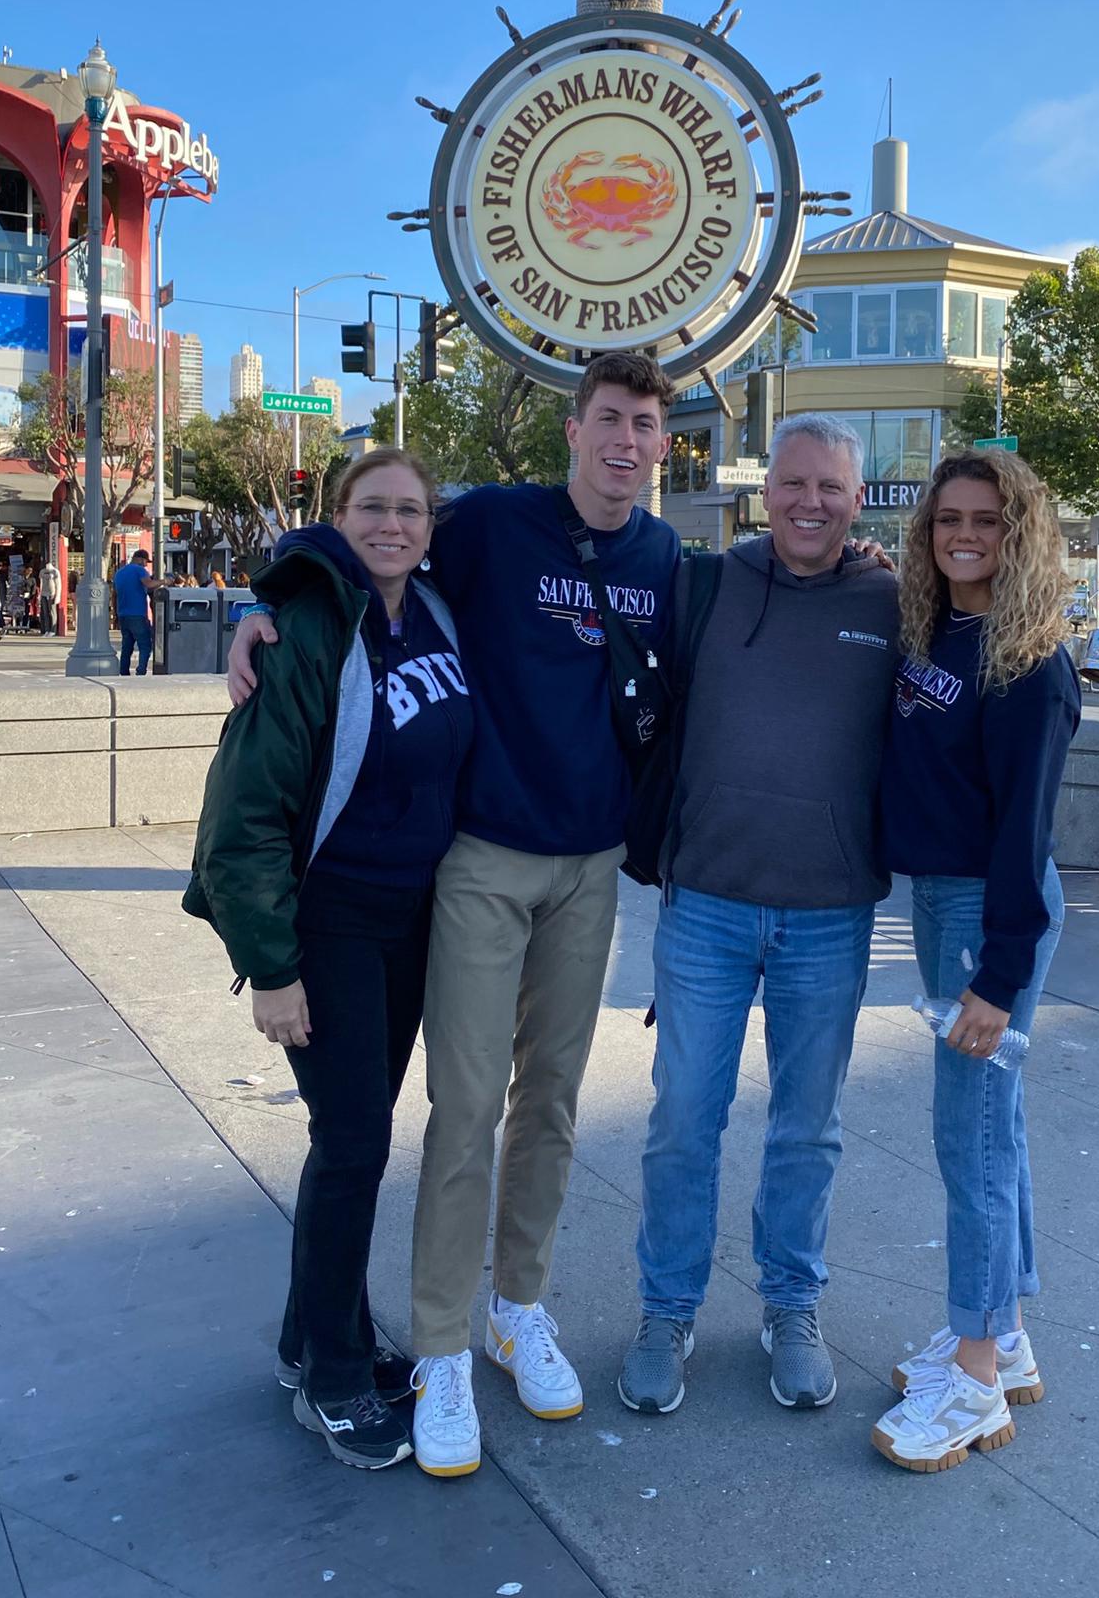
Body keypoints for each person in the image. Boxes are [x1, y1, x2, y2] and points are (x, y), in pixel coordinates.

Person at [227, 350, 680, 1478]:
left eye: (646, 425)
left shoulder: (671, 555)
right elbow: (364, 541)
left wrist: (868, 555)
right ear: (574, 429)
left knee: (556, 1103)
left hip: (592, 864)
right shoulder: (489, 525)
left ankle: (516, 1305)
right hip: (479, 859)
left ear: (665, 444)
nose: (626, 441)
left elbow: (771, 591)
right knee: (466, 1102)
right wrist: (258, 599)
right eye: (609, 419)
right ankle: (437, 1344)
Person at [185, 448, 470, 1472]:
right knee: (353, 1143)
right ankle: (337, 1379)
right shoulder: (305, 627)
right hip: (331, 924)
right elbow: (242, 818)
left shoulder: (433, 614)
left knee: (353, 1139)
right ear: (335, 513)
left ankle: (309, 1336)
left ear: (433, 527)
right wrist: (271, 965)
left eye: (410, 510)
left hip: (411, 922)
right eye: (372, 508)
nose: (392, 525)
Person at [617, 414, 898, 1417]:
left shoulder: (893, 598)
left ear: (857, 498)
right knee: (683, 1120)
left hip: (830, 911)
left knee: (805, 1130)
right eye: (793, 483)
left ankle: (792, 1303)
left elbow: (1000, 643)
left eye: (829, 486)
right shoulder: (706, 583)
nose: (809, 502)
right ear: (763, 488)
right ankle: (667, 1307)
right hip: (706, 908)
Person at [870, 450, 1080, 1473]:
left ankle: (978, 1376)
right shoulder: (942, 624)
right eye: (948, 517)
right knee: (995, 1128)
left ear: (1021, 531)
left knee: (972, 1143)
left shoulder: (1028, 660)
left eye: (987, 520)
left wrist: (995, 978)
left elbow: (1022, 837)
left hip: (985, 916)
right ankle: (1009, 1333)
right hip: (946, 901)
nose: (964, 533)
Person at [113, 550, 155, 676]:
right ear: (141, 559)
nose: (146, 565)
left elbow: (114, 595)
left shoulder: (119, 573)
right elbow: (149, 584)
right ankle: (141, 670)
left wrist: (116, 614)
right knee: (145, 644)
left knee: (127, 646)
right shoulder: (140, 570)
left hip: (123, 614)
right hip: (137, 613)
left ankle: (124, 672)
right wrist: (164, 581)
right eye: (146, 562)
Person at [39, 558, 62, 635]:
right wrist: (40, 595)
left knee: (52, 612)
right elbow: (41, 583)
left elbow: (58, 584)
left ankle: (53, 630)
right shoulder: (42, 571)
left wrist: (57, 595)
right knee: (45, 613)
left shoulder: (55, 571)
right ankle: (47, 629)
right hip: (44, 594)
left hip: (52, 594)